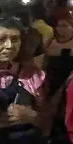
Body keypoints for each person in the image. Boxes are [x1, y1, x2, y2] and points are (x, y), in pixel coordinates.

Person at [0, 15, 48, 144]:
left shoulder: (31, 75)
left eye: (15, 39)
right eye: (1, 39)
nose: (9, 46)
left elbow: (47, 119)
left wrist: (33, 116)